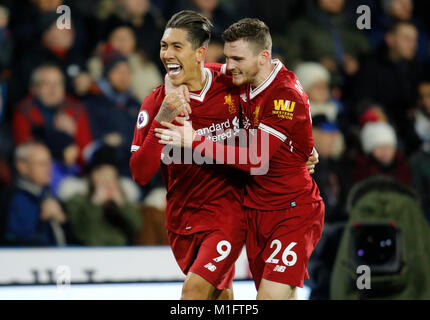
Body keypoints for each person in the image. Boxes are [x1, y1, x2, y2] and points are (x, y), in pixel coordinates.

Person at [156, 18, 325, 300]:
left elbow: (256, 160)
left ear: (263, 57)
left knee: (269, 297)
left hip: (292, 209)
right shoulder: (241, 79)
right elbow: (187, 70)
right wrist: (172, 86)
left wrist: (194, 140)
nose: (229, 65)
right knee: (283, 294)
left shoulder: (284, 94)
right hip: (255, 211)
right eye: (226, 57)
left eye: (237, 58)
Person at [129, 10, 247, 300]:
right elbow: (140, 173)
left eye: (177, 46)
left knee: (193, 292)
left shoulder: (231, 83)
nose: (167, 54)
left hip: (227, 213)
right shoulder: (157, 102)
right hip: (182, 218)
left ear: (199, 53)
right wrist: (163, 119)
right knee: (219, 295)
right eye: (163, 46)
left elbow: (278, 97)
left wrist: (302, 146)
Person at [4, 142, 68, 246]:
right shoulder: (14, 199)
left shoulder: (50, 195)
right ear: (22, 166)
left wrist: (63, 220)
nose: (48, 168)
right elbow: (17, 240)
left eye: (49, 162)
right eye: (41, 164)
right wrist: (41, 219)